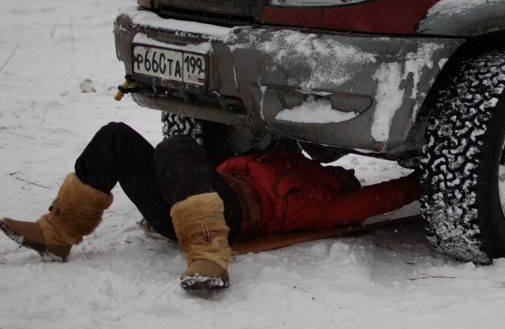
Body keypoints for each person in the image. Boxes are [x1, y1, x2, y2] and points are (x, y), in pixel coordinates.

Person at [0, 121, 419, 291]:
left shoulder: (322, 202)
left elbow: (376, 199)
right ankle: (57, 232)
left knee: (176, 149)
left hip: (225, 220)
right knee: (116, 137)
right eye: (345, 172)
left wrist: (422, 181)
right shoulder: (284, 161)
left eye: (348, 176)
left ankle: (208, 260)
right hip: (187, 199)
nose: (345, 173)